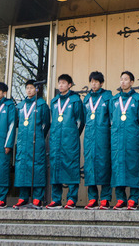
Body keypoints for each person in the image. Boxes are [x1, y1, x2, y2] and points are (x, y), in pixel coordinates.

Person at [110, 71, 139, 210]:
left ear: (132, 82)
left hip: (132, 140)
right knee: (118, 168)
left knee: (133, 168)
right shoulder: (114, 100)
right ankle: (120, 198)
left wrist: (137, 140)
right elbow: (111, 121)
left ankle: (133, 199)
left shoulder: (138, 99)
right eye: (121, 79)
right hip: (117, 141)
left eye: (126, 79)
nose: (123, 82)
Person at [47, 74, 84, 209]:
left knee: (71, 167)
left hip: (70, 141)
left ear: (69, 85)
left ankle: (71, 199)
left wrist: (73, 135)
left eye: (64, 83)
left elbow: (80, 121)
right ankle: (56, 199)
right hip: (56, 140)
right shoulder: (54, 101)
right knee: (56, 167)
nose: (61, 85)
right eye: (59, 83)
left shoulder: (75, 100)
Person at [14, 80, 50, 209]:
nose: (29, 90)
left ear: (37, 90)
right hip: (23, 141)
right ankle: (23, 197)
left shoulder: (41, 105)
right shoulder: (20, 106)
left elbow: (46, 124)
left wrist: (39, 135)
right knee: (22, 168)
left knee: (37, 168)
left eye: (31, 88)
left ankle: (37, 197)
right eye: (27, 88)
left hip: (36, 140)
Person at [82, 71, 113, 210]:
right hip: (89, 138)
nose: (93, 84)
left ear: (101, 83)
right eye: (92, 82)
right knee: (90, 168)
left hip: (103, 137)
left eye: (96, 81)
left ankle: (105, 198)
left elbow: (112, 118)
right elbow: (83, 118)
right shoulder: (86, 98)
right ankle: (92, 198)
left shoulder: (108, 97)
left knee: (104, 166)